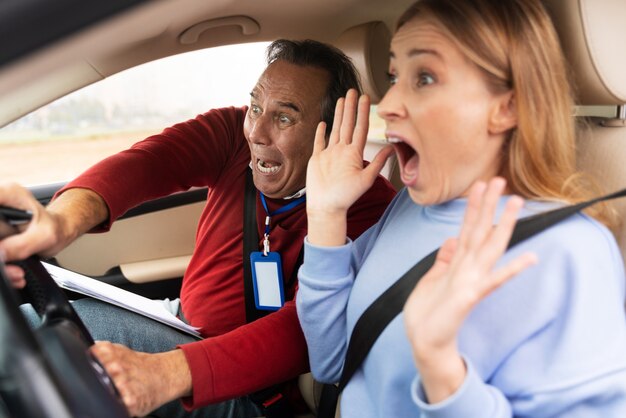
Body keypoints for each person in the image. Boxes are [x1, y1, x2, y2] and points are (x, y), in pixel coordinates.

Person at [0, 39, 397, 417]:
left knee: (30, 340)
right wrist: (59, 222)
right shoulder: (233, 137)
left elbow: (304, 331)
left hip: (249, 392)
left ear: (332, 129)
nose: (257, 133)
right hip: (178, 321)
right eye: (255, 107)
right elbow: (145, 165)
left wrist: (166, 373)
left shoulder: (363, 204)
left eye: (284, 117)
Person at [296, 1, 626, 417]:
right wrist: (325, 217)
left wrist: (443, 372)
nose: (389, 103)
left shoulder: (570, 250)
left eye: (426, 77)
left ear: (505, 106)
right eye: (394, 77)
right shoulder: (408, 207)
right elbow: (330, 362)